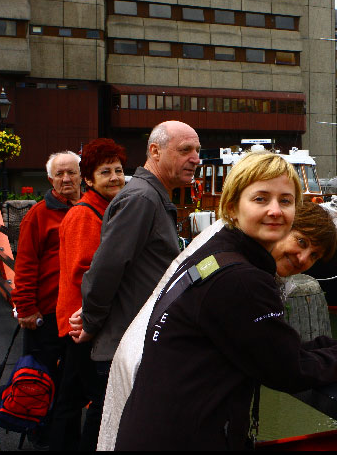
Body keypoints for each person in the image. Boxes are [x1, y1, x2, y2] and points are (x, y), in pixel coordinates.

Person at [114, 152, 337, 450]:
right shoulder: (244, 280)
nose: (275, 210)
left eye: (285, 200)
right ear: (232, 206)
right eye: (260, 199)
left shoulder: (214, 256)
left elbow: (264, 347)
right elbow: (287, 370)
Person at [72, 121, 200, 413]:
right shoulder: (142, 198)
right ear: (155, 151)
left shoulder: (150, 196)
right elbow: (105, 269)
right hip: (127, 350)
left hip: (134, 345)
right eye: (184, 150)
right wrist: (91, 322)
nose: (195, 158)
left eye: (196, 150)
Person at [50, 138, 126, 451]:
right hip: (84, 323)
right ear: (89, 180)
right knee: (100, 399)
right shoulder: (86, 215)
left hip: (79, 320)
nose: (114, 178)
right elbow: (85, 271)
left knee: (71, 394)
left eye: (119, 170)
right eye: (105, 172)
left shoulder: (103, 209)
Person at [11, 150, 81, 445]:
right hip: (47, 314)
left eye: (71, 173)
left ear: (81, 176)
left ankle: (67, 437)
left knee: (73, 383)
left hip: (77, 315)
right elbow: (25, 264)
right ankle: (41, 435)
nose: (66, 178)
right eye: (60, 174)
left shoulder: (91, 209)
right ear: (51, 179)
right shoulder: (38, 215)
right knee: (42, 380)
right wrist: (25, 307)